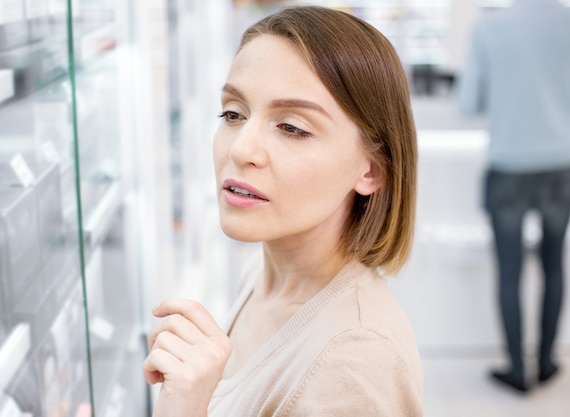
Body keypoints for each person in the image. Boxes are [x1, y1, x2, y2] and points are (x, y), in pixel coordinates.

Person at [143, 6, 423, 416]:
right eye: (233, 114)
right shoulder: (263, 273)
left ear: (372, 170)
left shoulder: (356, 361)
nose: (240, 149)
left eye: (292, 127)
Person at [458, 0, 570, 394]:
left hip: (508, 165)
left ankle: (518, 371)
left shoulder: (490, 26)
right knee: (555, 264)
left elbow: (467, 104)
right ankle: (546, 362)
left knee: (510, 270)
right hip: (561, 165)